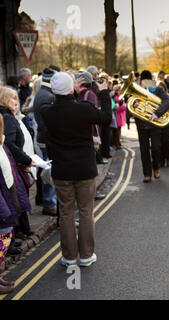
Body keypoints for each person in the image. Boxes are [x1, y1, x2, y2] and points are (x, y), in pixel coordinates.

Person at [41, 72, 112, 267]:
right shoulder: (84, 109)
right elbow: (106, 117)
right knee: (86, 213)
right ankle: (86, 256)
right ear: (71, 88)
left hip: (62, 170)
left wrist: (69, 90)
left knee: (66, 214)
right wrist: (104, 93)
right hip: (84, 170)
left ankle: (69, 257)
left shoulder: (47, 111)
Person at [0, 114, 32, 293]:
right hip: (2, 199)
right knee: (4, 235)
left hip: (7, 194)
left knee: (6, 234)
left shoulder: (2, 144)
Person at [0, 87, 34, 240]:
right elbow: (10, 144)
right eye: (13, 98)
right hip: (12, 165)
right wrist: (26, 159)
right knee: (14, 199)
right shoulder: (7, 118)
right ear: (6, 100)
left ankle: (18, 233)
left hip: (13, 163)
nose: (16, 102)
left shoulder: (8, 115)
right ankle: (14, 236)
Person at [135, 70, 169, 183]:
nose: (145, 82)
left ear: (151, 80)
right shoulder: (137, 91)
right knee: (144, 150)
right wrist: (134, 104)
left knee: (156, 148)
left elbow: (167, 101)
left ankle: (156, 167)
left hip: (155, 124)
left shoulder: (158, 90)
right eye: (143, 80)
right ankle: (147, 174)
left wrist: (157, 113)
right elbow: (128, 104)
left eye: (147, 80)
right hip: (141, 125)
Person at [33, 68, 58, 215]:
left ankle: (48, 201)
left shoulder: (42, 93)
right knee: (49, 172)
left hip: (43, 139)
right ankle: (49, 204)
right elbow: (46, 123)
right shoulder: (48, 96)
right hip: (46, 140)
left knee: (47, 171)